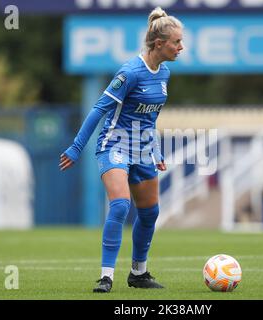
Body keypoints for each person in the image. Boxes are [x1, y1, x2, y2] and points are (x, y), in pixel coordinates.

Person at [59, 7, 184, 293]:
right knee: (120, 205)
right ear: (158, 43)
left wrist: (156, 149)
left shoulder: (164, 73)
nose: (181, 47)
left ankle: (138, 273)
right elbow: (97, 110)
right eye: (176, 42)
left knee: (150, 213)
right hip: (114, 145)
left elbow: (150, 118)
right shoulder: (129, 73)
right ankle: (106, 277)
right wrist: (77, 147)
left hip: (142, 150)